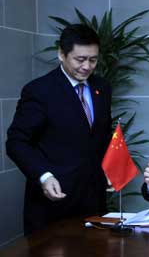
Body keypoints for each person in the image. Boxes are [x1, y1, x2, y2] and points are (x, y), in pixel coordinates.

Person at [6, 24, 112, 234]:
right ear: (61, 54)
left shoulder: (102, 87)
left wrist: (109, 168)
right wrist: (44, 176)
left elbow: (100, 135)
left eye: (93, 59)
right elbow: (16, 142)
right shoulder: (39, 91)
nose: (87, 66)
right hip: (53, 203)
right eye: (80, 59)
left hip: (93, 202)